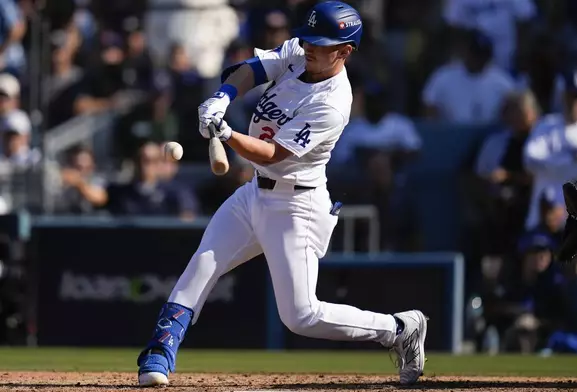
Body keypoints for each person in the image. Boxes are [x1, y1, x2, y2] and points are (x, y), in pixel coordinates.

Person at [136, 1, 427, 387]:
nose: (309, 47)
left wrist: (226, 134)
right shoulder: (298, 53)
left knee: (301, 316)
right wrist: (223, 96)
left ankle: (399, 328)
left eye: (320, 44)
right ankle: (160, 350)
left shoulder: (334, 102)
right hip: (254, 192)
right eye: (308, 38)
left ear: (345, 51)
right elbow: (250, 70)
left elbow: (274, 154)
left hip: (296, 206)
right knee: (204, 262)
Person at [522, 69, 577, 230]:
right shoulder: (545, 125)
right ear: (563, 97)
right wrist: (572, 162)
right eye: (570, 95)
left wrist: (550, 164)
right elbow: (529, 161)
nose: (573, 102)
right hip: (541, 218)